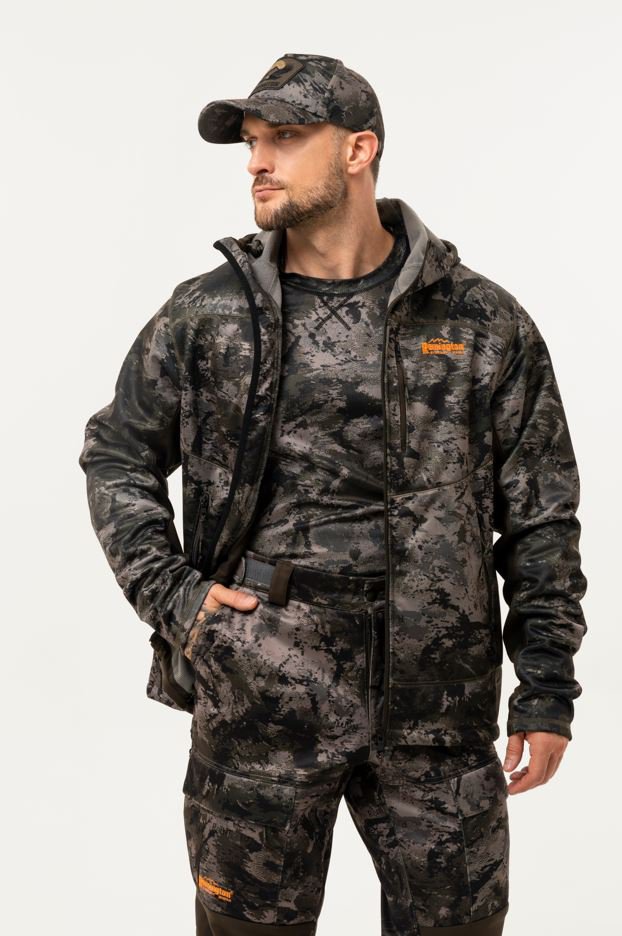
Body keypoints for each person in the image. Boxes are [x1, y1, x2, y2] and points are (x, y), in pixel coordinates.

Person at [78, 53, 588, 936]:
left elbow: (540, 515)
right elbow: (117, 455)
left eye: (283, 137)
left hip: (439, 715)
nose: (256, 162)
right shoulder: (207, 316)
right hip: (261, 702)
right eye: (250, 142)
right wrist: (179, 600)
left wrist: (546, 687)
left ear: (359, 150)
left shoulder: (480, 321)